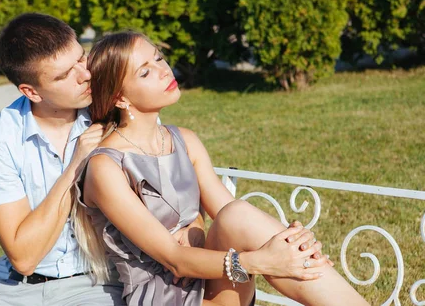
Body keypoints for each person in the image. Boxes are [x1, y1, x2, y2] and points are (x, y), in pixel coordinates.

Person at [72, 31, 370, 306]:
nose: (165, 71)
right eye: (146, 72)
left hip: (210, 272)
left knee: (239, 215)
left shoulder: (184, 140)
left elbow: (234, 217)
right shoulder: (105, 167)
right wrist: (261, 260)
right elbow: (175, 260)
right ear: (120, 98)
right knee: (267, 244)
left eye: (159, 58)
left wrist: (292, 244)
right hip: (166, 294)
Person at [0, 13, 208, 306]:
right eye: (63, 75)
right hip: (23, 290)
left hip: (105, 282)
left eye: (80, 58)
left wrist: (195, 224)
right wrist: (75, 167)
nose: (85, 75)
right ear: (31, 92)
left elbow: (173, 179)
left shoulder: (110, 108)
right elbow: (23, 258)